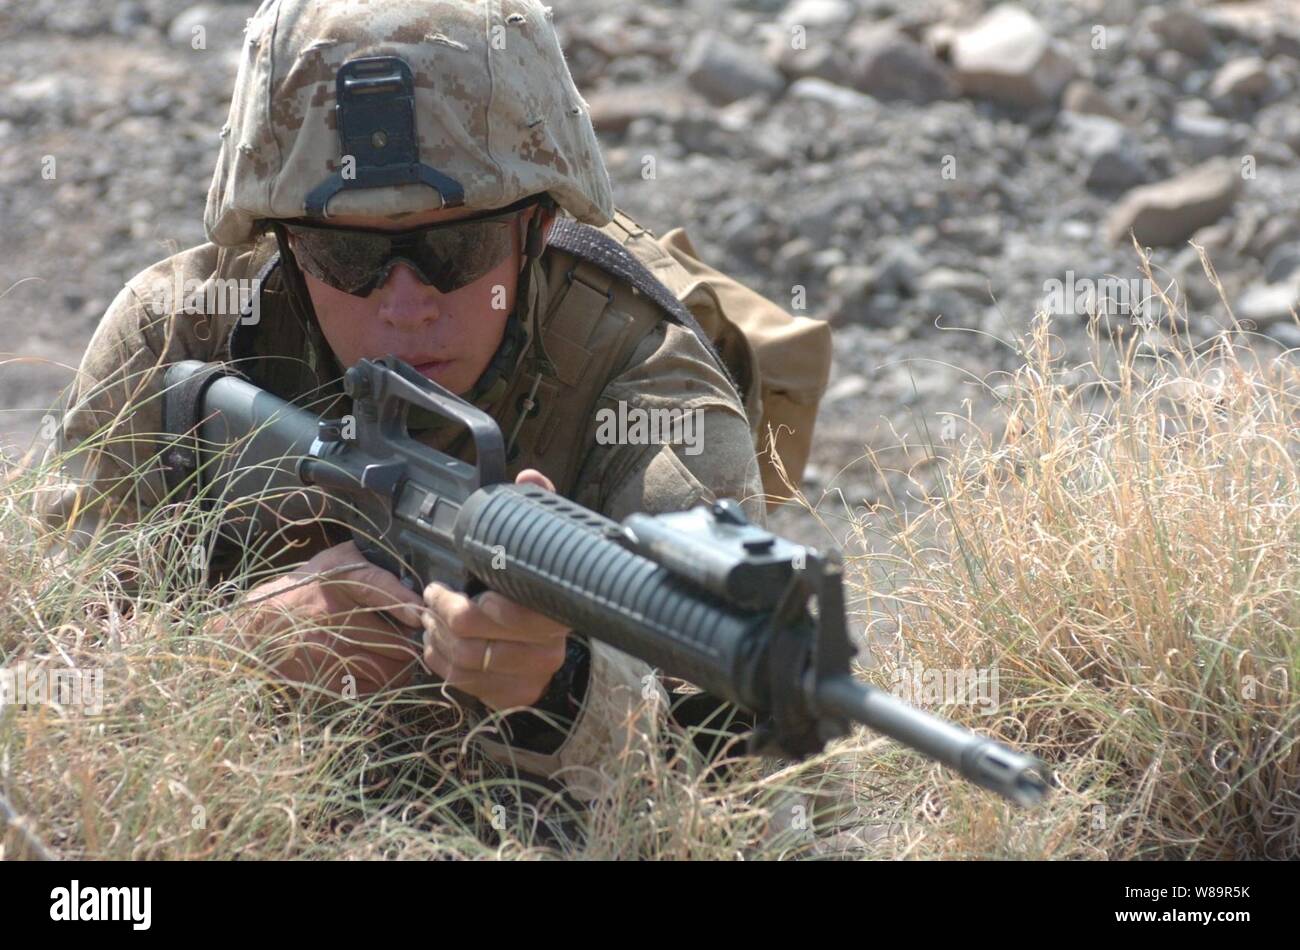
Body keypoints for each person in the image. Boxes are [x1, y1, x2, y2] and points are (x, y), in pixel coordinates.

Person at [39, 0, 797, 803]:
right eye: (345, 253)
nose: (405, 307)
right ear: (285, 242)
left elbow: (748, 793)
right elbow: (53, 689)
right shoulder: (177, 336)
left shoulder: (640, 381)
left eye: (455, 247)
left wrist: (565, 694)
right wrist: (236, 651)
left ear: (536, 229)